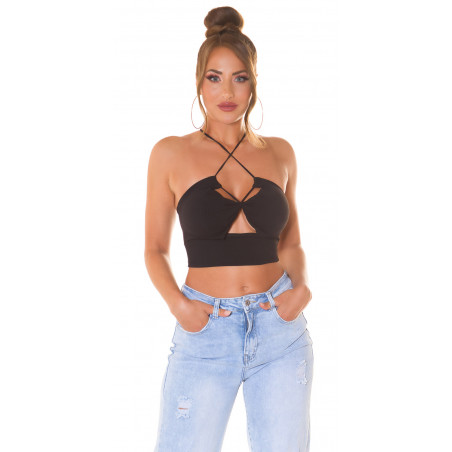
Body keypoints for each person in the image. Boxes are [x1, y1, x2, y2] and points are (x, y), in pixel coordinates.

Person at [144, 6, 314, 452]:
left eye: (239, 78)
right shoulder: (170, 154)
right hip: (206, 329)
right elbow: (154, 249)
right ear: (198, 82)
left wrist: (301, 289)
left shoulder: (280, 153)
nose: (227, 91)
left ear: (253, 83)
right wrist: (178, 306)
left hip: (280, 329)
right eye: (214, 77)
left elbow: (291, 241)